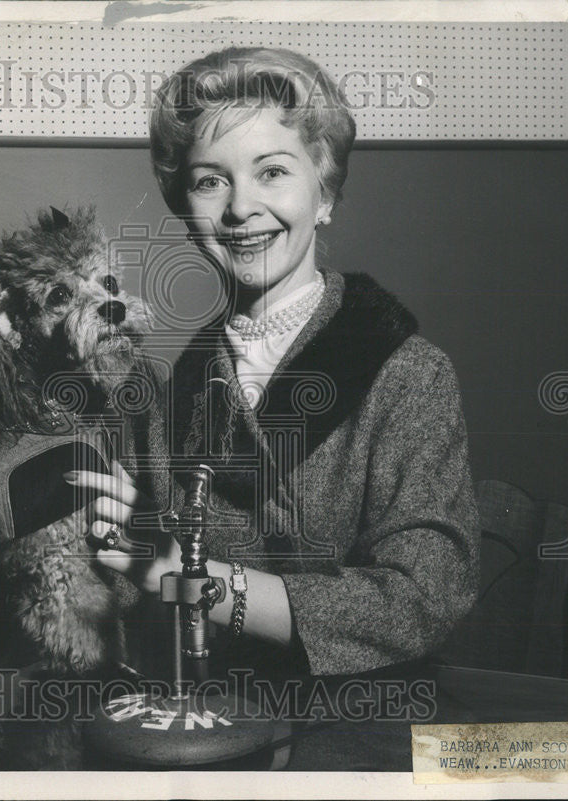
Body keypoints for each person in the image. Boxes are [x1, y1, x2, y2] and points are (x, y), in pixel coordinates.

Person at [69, 46, 480, 679]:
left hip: (354, 723)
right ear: (185, 210)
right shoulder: (161, 394)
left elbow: (422, 599)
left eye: (272, 172)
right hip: (205, 721)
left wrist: (192, 579)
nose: (239, 208)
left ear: (325, 192)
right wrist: (118, 546)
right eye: (211, 180)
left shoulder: (406, 374)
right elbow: (137, 609)